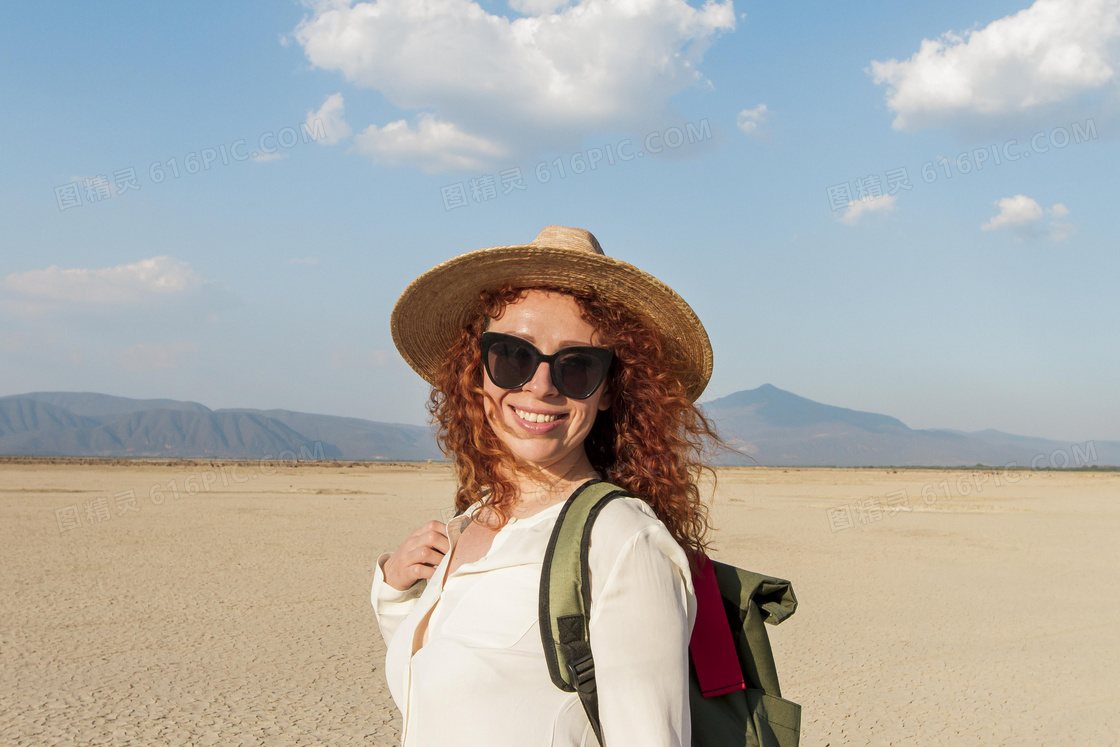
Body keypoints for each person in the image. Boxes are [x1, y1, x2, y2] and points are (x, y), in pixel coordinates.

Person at [372, 225, 722, 746]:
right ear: (477, 369)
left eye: (576, 366)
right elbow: (436, 689)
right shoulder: (475, 518)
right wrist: (397, 594)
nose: (540, 386)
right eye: (512, 356)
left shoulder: (621, 541)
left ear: (608, 390)